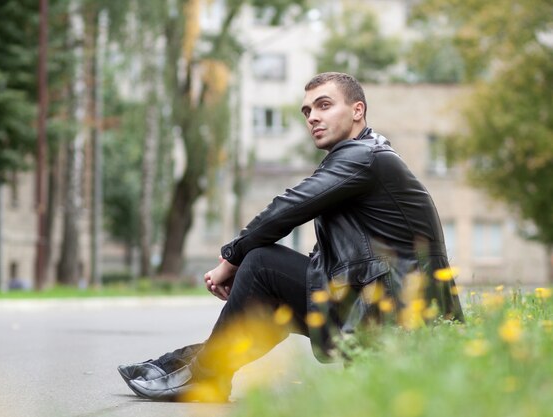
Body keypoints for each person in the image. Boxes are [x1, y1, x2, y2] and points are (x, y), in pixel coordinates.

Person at [118, 72, 464, 402]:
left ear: (358, 111)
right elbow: (329, 256)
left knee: (261, 262)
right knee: (267, 288)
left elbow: (287, 209)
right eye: (307, 110)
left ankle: (201, 373)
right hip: (380, 307)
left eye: (324, 105)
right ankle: (189, 367)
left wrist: (231, 258)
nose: (312, 117)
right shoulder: (363, 158)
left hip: (394, 317)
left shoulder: (364, 157)